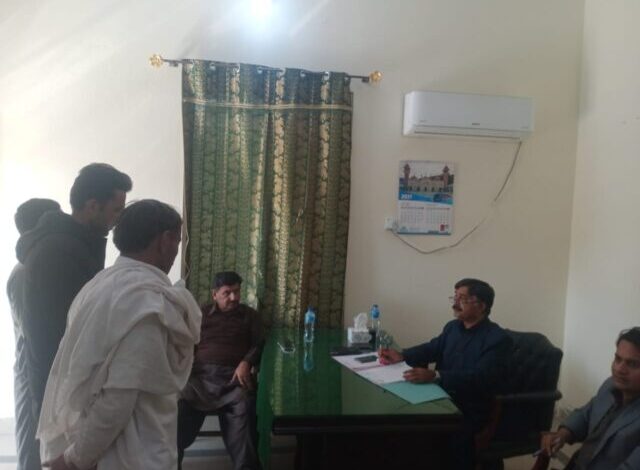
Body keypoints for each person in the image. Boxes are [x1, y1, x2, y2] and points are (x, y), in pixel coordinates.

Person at [37, 199, 202, 469]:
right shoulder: (143, 302)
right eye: (177, 241)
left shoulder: (97, 287)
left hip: (101, 446)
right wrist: (73, 460)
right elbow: (117, 401)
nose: (176, 250)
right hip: (133, 456)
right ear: (165, 241)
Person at [16, 163, 132, 418]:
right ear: (92, 206)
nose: (118, 219)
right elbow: (64, 331)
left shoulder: (75, 245)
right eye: (116, 210)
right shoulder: (58, 252)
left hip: (67, 386)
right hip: (60, 389)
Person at [379, 278, 512, 469]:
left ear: (481, 305)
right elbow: (432, 349)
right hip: (441, 396)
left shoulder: (497, 339)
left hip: (470, 407)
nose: (455, 303)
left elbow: (481, 378)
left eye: (462, 298)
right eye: (454, 297)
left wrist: (436, 376)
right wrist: (402, 355)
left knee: (438, 438)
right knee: (402, 422)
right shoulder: (453, 327)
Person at [178, 271, 264, 470]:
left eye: (237, 292)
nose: (234, 297)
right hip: (200, 379)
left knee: (245, 409)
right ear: (214, 294)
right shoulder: (200, 314)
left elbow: (259, 344)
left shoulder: (250, 316)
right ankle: (169, 463)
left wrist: (246, 362)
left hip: (234, 378)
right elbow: (184, 342)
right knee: (178, 411)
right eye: (227, 293)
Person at [7, 198, 60, 470]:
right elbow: (34, 331)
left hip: (42, 369)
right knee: (32, 445)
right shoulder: (25, 272)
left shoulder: (37, 267)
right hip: (33, 370)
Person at [540, 327, 640, 470]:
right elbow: (586, 415)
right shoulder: (610, 385)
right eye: (618, 359)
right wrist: (562, 435)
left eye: (632, 364)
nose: (619, 369)